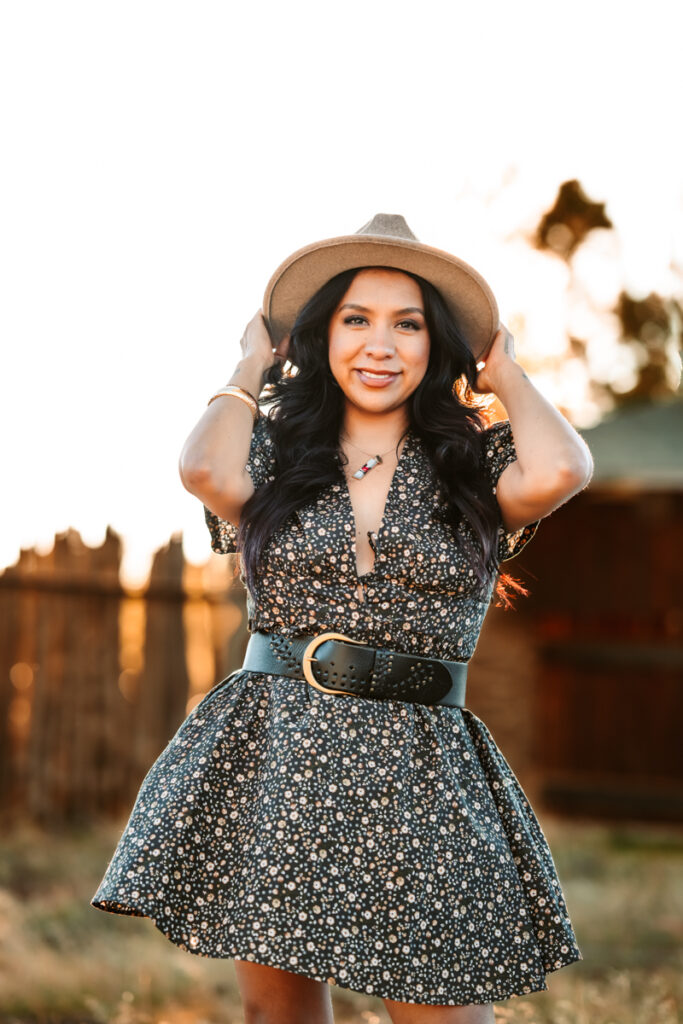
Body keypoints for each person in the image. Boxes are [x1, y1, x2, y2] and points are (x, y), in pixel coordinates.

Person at [91, 214, 591, 1024]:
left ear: (438, 345)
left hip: (422, 767)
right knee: (277, 1015)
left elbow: (563, 467)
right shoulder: (274, 452)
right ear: (321, 336)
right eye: (356, 319)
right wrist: (251, 363)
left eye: (408, 324)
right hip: (278, 752)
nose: (379, 345)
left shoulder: (476, 462)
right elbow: (201, 468)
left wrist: (504, 372)